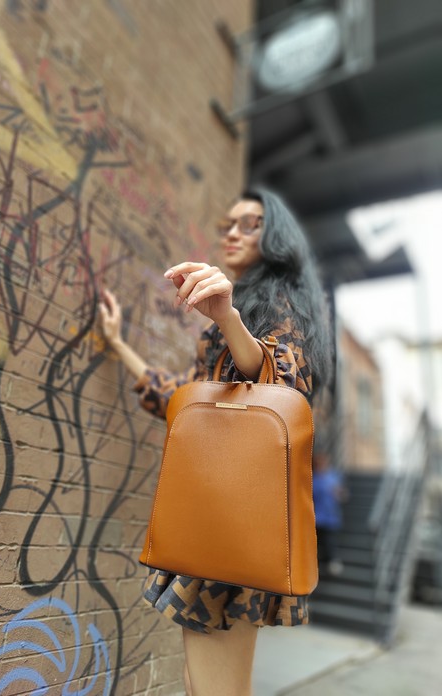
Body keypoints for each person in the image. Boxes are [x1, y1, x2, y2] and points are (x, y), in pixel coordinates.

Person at [99, 187, 331, 696]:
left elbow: (281, 382)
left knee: (212, 687)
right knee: (201, 682)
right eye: (228, 224)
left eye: (250, 224)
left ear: (277, 237)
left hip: (233, 520)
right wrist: (117, 345)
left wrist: (229, 318)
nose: (233, 232)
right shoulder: (244, 299)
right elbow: (181, 399)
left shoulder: (281, 300)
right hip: (219, 515)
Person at [312, 451, 347, 577]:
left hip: (330, 516)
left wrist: (340, 494)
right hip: (317, 517)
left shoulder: (333, 477)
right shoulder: (313, 478)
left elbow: (342, 494)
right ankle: (321, 566)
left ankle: (331, 563)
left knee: (329, 541)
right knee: (319, 543)